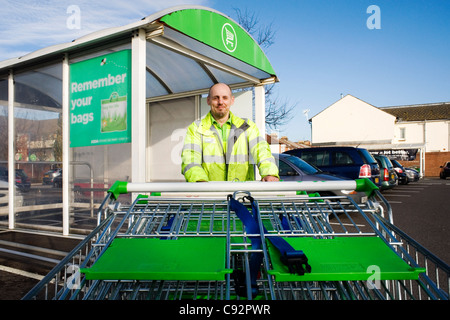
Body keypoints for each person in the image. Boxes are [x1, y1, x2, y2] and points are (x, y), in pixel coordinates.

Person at [181, 83, 279, 182]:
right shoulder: (196, 128)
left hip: (241, 193)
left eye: (225, 97)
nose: (220, 102)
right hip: (210, 194)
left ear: (232, 100)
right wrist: (199, 180)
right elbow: (190, 158)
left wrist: (269, 173)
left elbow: (261, 150)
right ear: (208, 100)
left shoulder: (247, 126)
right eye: (216, 98)